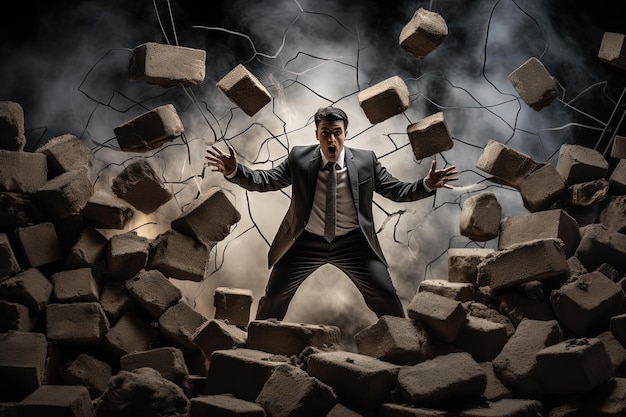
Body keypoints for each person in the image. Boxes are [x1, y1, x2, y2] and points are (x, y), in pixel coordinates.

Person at [205, 106, 458, 320]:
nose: (331, 140)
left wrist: (426, 184)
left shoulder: (366, 161)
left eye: (337, 133)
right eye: (325, 133)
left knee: (384, 296)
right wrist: (235, 171)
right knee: (275, 296)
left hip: (353, 243)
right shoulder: (299, 158)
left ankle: (405, 345)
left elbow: (397, 191)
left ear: (345, 134)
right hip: (306, 242)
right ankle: (258, 349)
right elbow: (266, 180)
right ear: (317, 134)